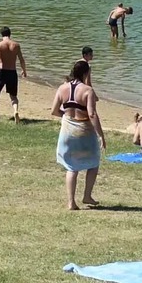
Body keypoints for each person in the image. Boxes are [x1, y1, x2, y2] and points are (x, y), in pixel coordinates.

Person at [52, 60, 105, 210]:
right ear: (86, 73)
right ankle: (87, 195)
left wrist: (66, 117)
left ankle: (71, 202)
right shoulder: (88, 90)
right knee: (93, 162)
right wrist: (101, 135)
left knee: (71, 167)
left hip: (67, 130)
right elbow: (92, 114)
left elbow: (54, 110)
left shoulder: (62, 88)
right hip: (84, 130)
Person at [0, 27, 27, 122]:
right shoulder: (16, 45)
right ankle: (15, 111)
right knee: (13, 96)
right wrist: (24, 70)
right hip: (12, 72)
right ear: (10, 34)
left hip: (2, 71)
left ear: (1, 34)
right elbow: (21, 60)